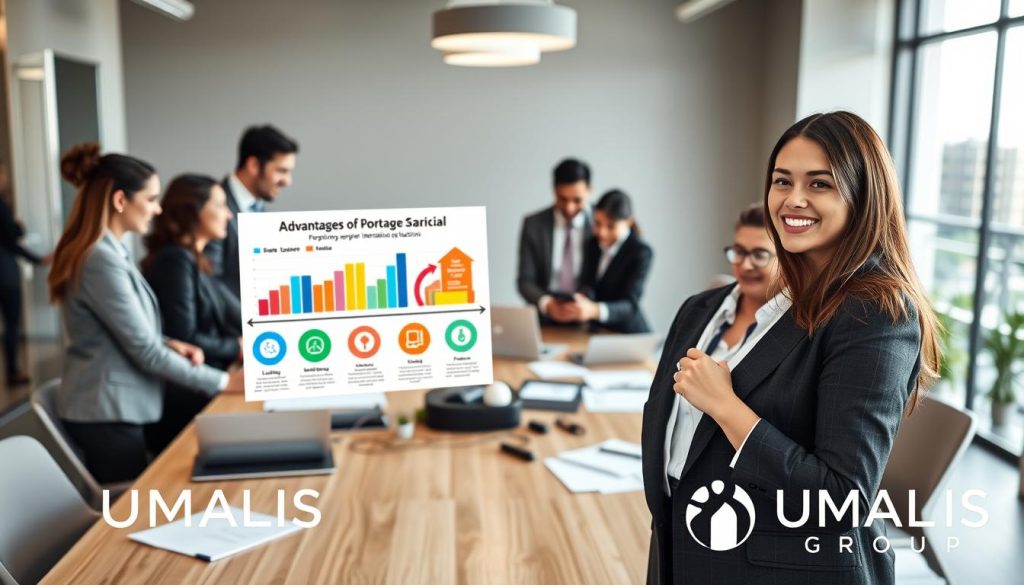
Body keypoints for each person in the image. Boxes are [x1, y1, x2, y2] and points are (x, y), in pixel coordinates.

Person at [641, 111, 940, 584]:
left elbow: (841, 499)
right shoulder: (750, 306)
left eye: (819, 184)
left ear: (862, 196)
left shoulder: (876, 312)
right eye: (783, 181)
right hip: (693, 550)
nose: (793, 199)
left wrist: (725, 406)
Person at [49, 143, 243, 483]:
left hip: (114, 410)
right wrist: (225, 382)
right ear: (120, 200)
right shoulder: (101, 260)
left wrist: (168, 342)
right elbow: (145, 353)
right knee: (130, 514)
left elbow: (127, 331)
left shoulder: (110, 253)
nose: (157, 210)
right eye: (151, 199)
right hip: (106, 413)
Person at [142, 174, 243, 453]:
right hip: (186, 398)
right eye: (220, 205)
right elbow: (183, 335)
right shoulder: (175, 260)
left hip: (200, 387)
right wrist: (235, 347)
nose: (228, 214)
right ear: (194, 211)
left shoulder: (197, 260)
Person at [205, 124, 299, 297]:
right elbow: (211, 285)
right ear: (254, 165)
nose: (287, 181)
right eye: (281, 171)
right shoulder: (211, 207)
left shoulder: (261, 212)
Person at [516, 158, 592, 324]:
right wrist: (547, 303)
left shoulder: (600, 226)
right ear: (554, 190)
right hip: (544, 319)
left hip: (588, 321)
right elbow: (525, 280)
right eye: (562, 199)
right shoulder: (533, 224)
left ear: (590, 190)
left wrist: (585, 303)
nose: (569, 207)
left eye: (577, 200)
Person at [570, 189, 653, 333]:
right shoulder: (593, 244)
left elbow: (629, 305)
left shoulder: (641, 252)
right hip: (598, 331)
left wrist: (594, 310)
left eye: (610, 226)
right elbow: (588, 283)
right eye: (598, 223)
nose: (602, 232)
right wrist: (582, 297)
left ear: (628, 222)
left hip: (629, 334)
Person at [0, 158, 49, 386]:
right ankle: (12, 372)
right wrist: (38, 259)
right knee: (12, 324)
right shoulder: (1, 205)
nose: (6, 178)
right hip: (5, 273)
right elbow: (13, 238)